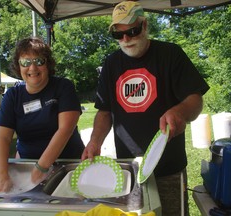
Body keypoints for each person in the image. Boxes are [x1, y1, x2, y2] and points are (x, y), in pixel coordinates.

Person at [81, 1, 209, 215]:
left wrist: (180, 111)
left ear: (145, 25)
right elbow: (104, 111)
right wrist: (95, 142)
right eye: (118, 35)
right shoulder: (111, 64)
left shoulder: (171, 54)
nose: (126, 39)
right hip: (128, 170)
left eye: (132, 31)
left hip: (168, 168)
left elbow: (195, 99)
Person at [0, 37, 85, 193]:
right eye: (25, 62)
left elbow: (65, 130)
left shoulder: (63, 87)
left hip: (68, 165)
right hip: (26, 167)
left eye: (39, 61)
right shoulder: (12, 96)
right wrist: (2, 176)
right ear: (18, 65)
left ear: (48, 64)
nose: (32, 68)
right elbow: (3, 137)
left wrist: (40, 168)